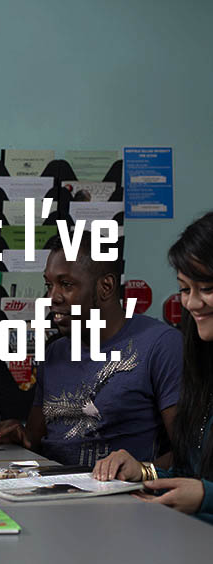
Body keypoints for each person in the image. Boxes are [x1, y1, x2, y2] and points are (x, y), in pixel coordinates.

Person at [0, 232, 182, 466]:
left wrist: (141, 470)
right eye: (49, 285)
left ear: (106, 287)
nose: (52, 297)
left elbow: (188, 455)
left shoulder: (161, 345)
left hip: (123, 488)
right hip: (51, 484)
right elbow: (36, 440)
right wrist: (18, 433)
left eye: (66, 285)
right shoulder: (55, 352)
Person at [94, 212, 213, 523]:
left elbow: (200, 489)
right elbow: (191, 476)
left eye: (206, 288)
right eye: (185, 289)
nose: (192, 303)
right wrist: (143, 470)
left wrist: (205, 496)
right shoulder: (200, 365)